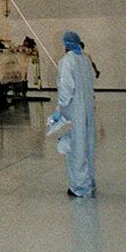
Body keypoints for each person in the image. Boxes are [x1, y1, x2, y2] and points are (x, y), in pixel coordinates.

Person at [48, 30, 96, 198]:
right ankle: (89, 183)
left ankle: (79, 188)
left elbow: (66, 90)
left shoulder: (66, 62)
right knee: (87, 148)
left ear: (65, 45)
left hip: (74, 112)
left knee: (76, 150)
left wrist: (59, 110)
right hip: (88, 111)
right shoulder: (85, 60)